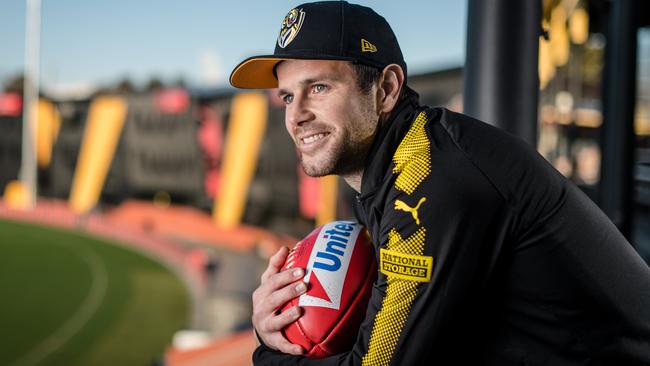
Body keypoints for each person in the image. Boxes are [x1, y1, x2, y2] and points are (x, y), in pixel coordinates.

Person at [229, 1, 650, 364]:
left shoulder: (429, 183)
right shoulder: (405, 163)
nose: (295, 114)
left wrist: (271, 350)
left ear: (387, 89)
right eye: (287, 96)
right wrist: (284, 315)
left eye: (318, 87)